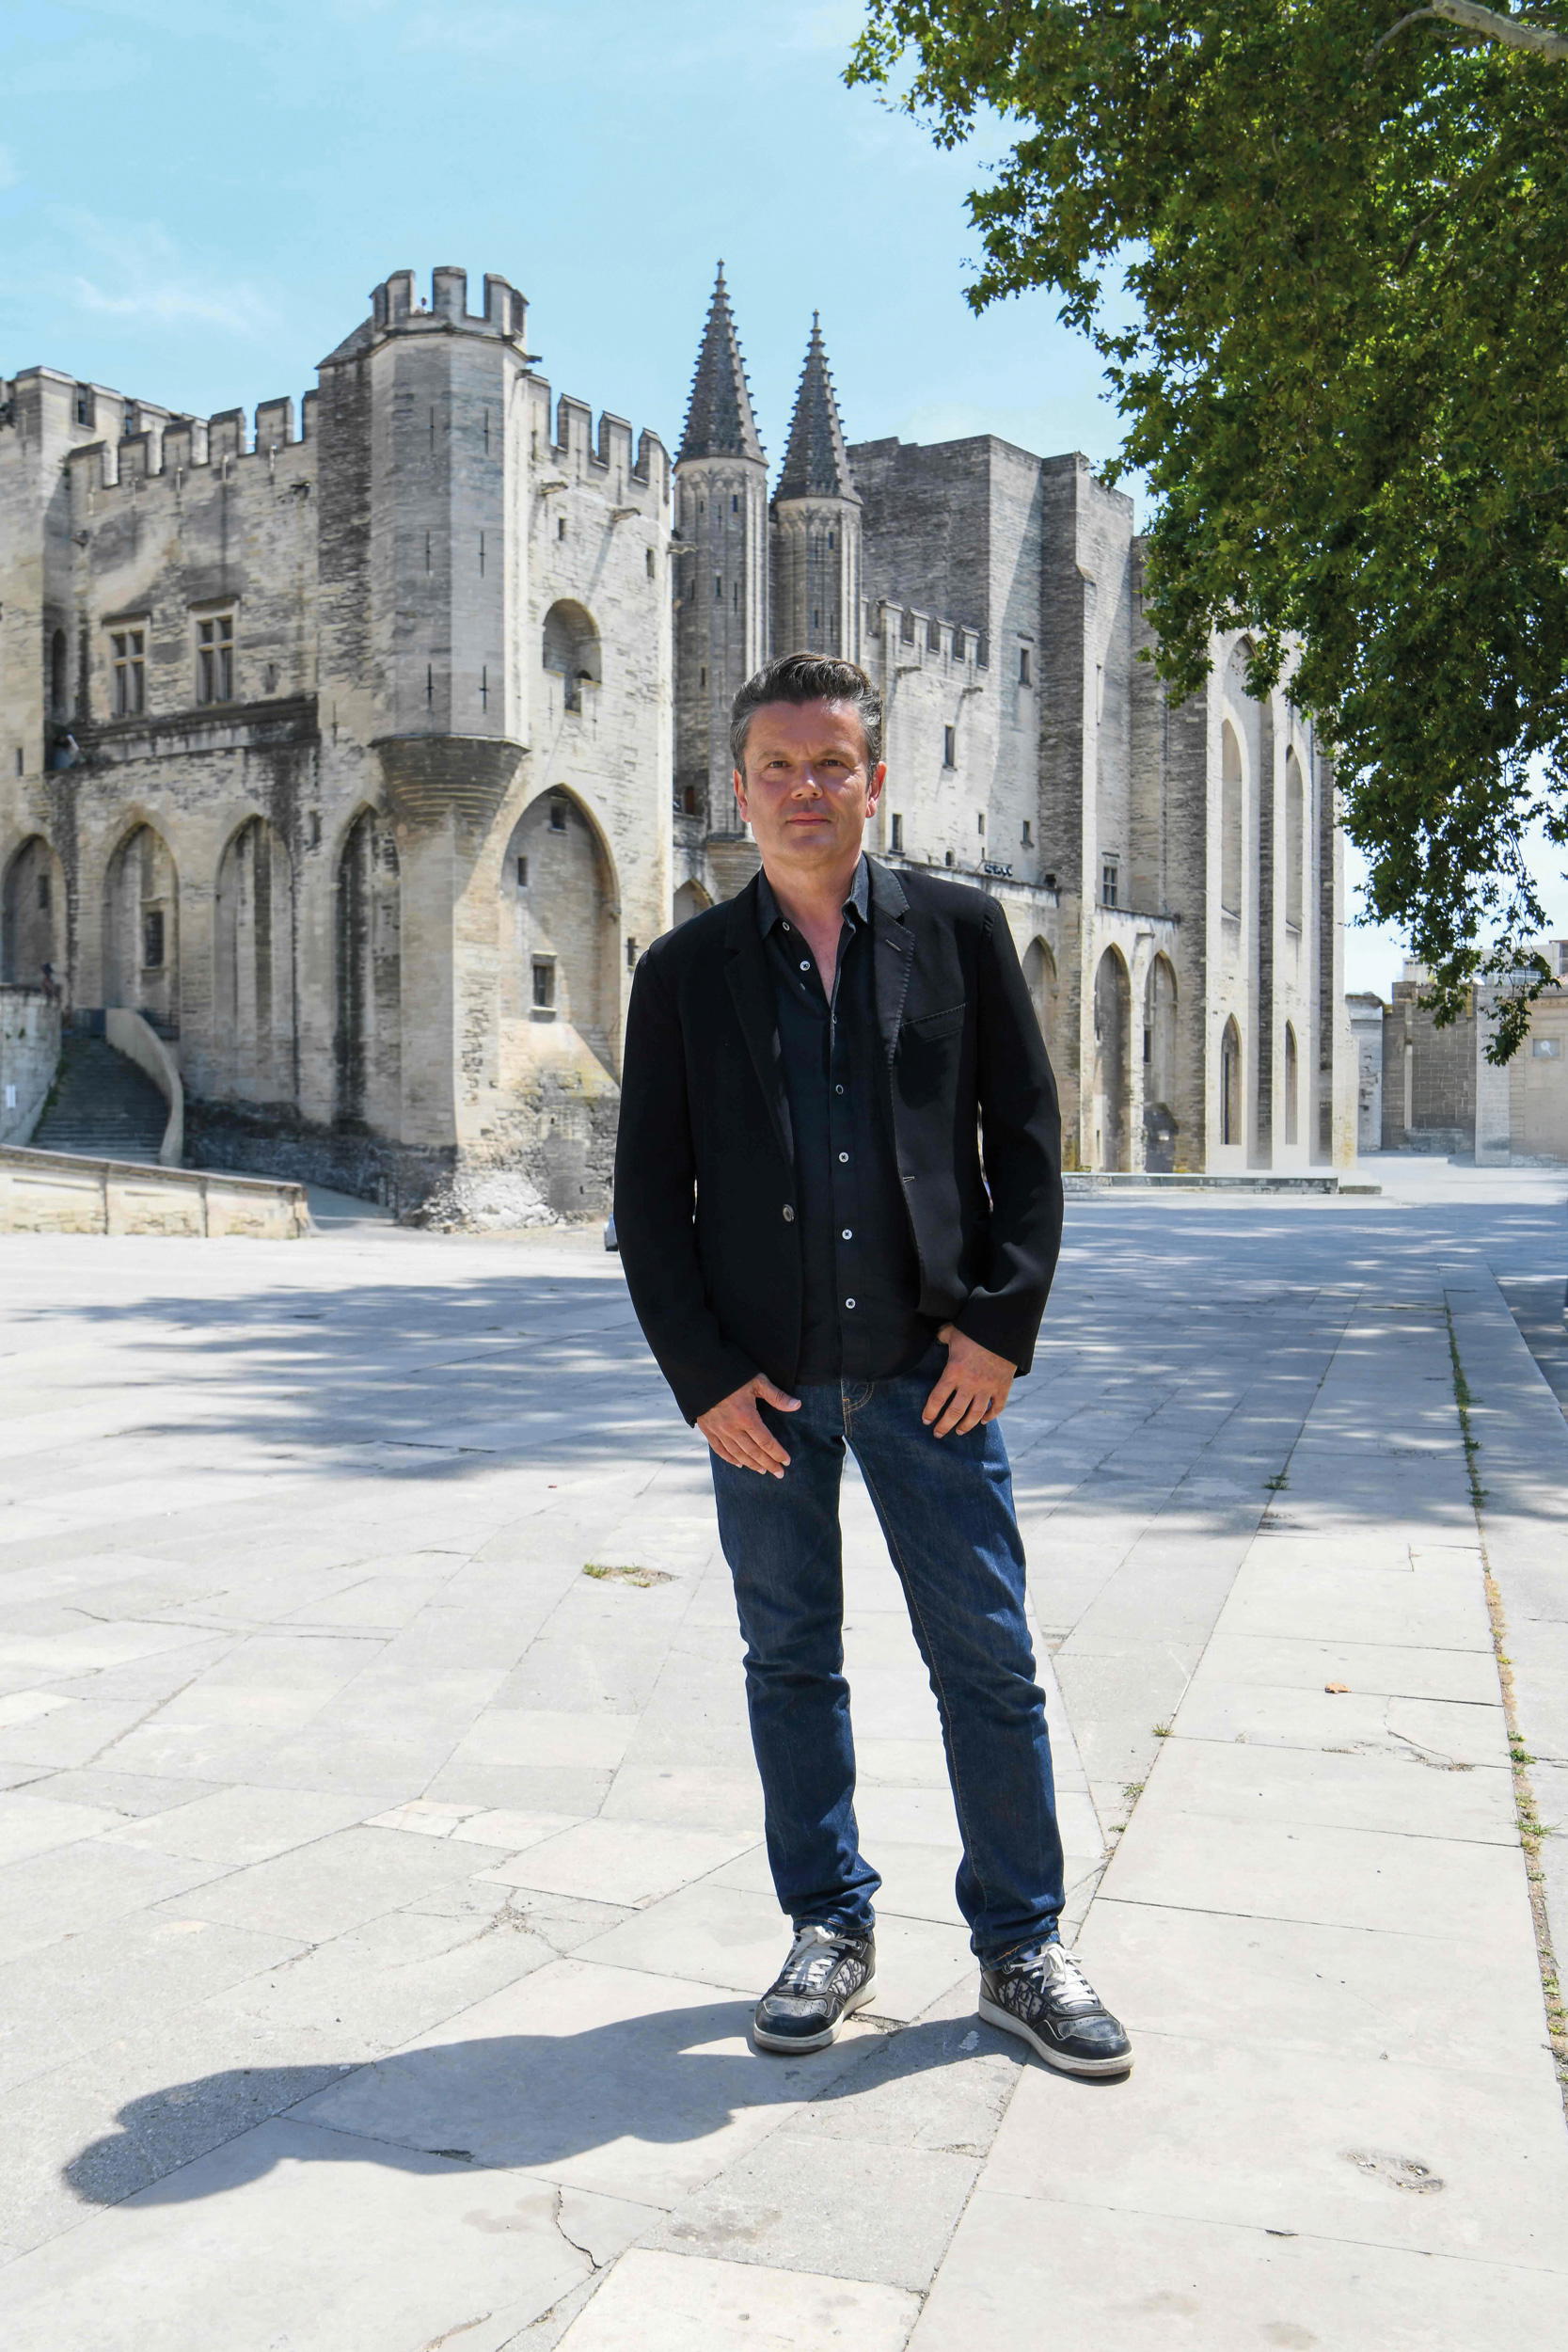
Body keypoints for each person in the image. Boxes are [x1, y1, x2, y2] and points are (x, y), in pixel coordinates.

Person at [613, 653, 1131, 2078]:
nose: (803, 790)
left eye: (830, 764)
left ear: (875, 781)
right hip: (764, 1393)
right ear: (739, 789)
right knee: (788, 1658)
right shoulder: (683, 972)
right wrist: (704, 1380)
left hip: (929, 1373)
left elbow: (1027, 1146)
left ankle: (1022, 1947)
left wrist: (999, 1328)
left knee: (989, 1659)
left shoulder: (959, 935)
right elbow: (649, 1201)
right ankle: (827, 1926)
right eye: (776, 767)